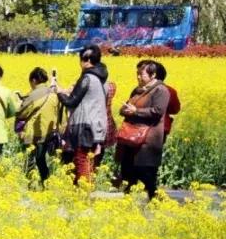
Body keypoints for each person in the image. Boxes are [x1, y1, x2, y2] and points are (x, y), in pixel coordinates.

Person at [116, 61, 169, 200]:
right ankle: (127, 203)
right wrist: (124, 110)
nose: (138, 77)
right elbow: (128, 106)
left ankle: (156, 202)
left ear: (153, 75)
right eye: (137, 74)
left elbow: (157, 111)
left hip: (147, 141)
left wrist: (136, 111)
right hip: (130, 138)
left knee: (146, 174)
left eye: (141, 74)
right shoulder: (137, 90)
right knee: (127, 171)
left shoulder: (161, 90)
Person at [57, 45, 109, 186]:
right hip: (97, 126)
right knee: (89, 162)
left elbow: (71, 102)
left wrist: (58, 91)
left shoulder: (87, 78)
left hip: (84, 126)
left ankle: (83, 194)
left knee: (81, 161)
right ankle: (84, 192)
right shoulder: (103, 80)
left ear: (85, 60)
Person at [16, 68, 63, 186]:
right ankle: (45, 183)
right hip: (49, 132)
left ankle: (30, 184)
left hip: (32, 133)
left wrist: (18, 103)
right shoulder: (53, 94)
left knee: (29, 160)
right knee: (41, 160)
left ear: (33, 80)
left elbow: (22, 113)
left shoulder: (34, 95)